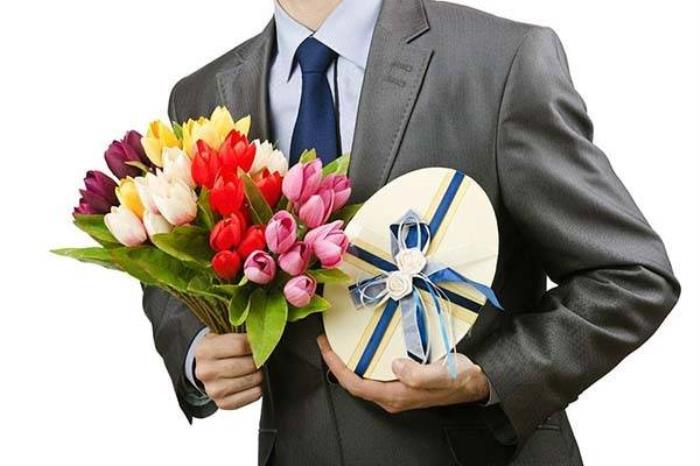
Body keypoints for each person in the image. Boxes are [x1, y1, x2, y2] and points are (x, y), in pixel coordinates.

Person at [142, 0, 680, 464]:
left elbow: (631, 274)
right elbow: (170, 259)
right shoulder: (201, 97)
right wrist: (196, 349)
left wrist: (488, 376)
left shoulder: (500, 60)